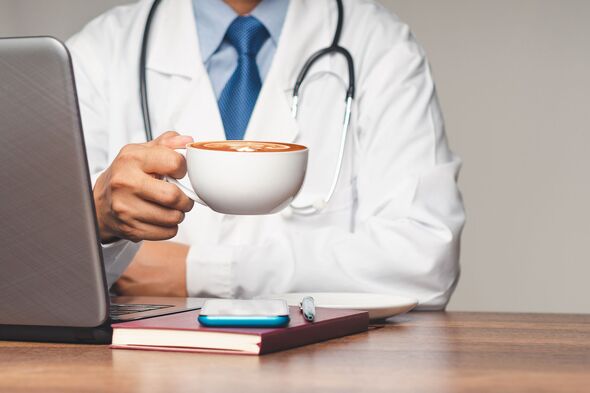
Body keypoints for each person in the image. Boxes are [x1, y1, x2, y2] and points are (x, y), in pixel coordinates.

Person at [67, 0, 465, 309]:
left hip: (325, 370)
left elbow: (423, 262)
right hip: (149, 372)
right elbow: (27, 269)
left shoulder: (381, 45)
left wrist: (200, 272)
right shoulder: (97, 53)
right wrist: (97, 220)